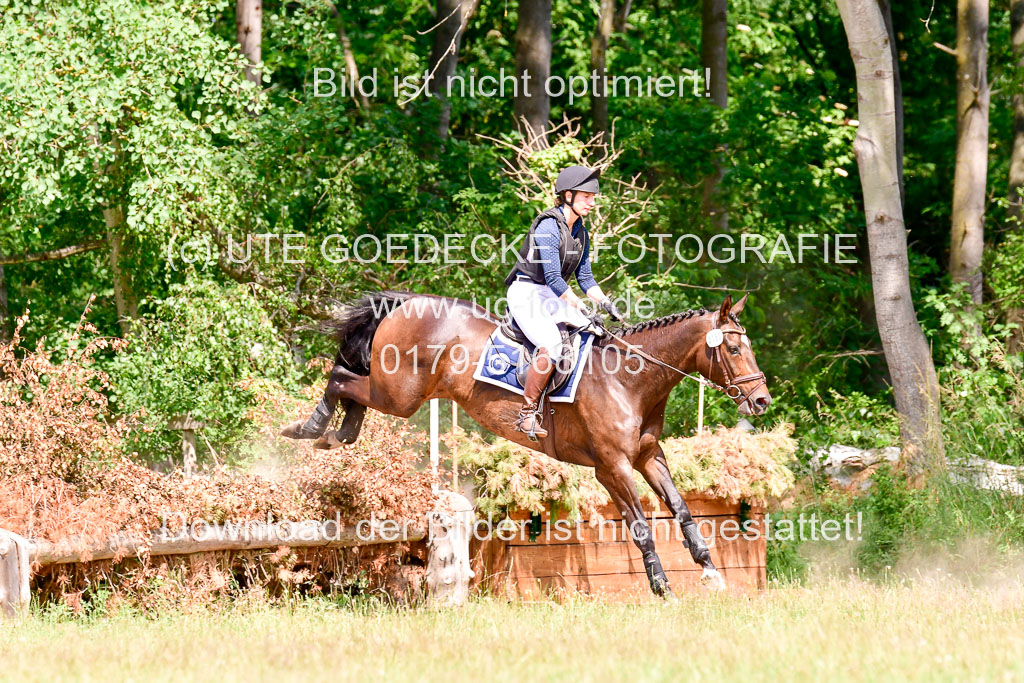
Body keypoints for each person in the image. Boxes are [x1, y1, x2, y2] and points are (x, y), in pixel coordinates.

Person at [504, 165, 625, 440]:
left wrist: (605, 303)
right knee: (553, 345)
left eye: (593, 198)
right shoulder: (548, 226)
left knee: (597, 332)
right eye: (587, 197)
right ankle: (527, 414)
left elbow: (585, 278)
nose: (592, 203)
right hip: (526, 293)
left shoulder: (581, 232)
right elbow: (555, 279)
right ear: (568, 195)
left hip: (550, 293)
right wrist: (582, 308)